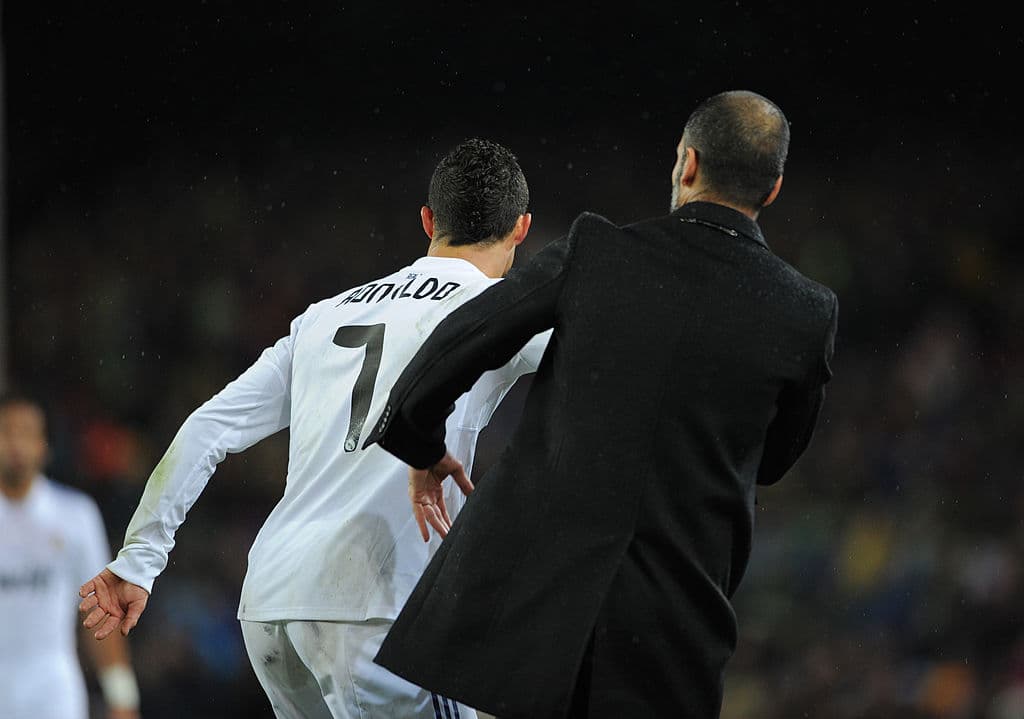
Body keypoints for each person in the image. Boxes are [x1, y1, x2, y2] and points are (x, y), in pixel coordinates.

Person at [363, 90, 839, 718]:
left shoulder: (598, 252)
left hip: (533, 612)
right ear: (772, 189)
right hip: (673, 626)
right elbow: (773, 459)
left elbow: (458, 342)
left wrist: (422, 443)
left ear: (687, 164)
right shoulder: (805, 311)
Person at [78, 138, 550, 719]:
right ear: (522, 228)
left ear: (428, 220)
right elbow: (604, 365)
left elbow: (209, 427)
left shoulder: (326, 315)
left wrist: (139, 559)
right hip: (382, 604)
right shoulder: (502, 309)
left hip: (274, 602)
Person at [0, 392, 141, 719]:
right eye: (6, 431)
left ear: (43, 445)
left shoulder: (76, 516)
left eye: (26, 433)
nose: (16, 444)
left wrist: (123, 699)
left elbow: (100, 612)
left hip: (52, 692)